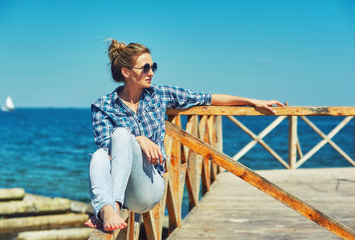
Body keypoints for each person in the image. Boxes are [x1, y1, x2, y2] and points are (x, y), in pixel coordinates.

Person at [85, 39, 284, 232]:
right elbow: (108, 155)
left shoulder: (160, 95)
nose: (151, 73)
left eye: (153, 66)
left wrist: (252, 101)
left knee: (120, 134)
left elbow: (206, 98)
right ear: (126, 72)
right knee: (99, 154)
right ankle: (108, 210)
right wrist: (138, 138)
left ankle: (108, 209)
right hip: (120, 187)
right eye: (145, 68)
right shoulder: (103, 106)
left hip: (149, 186)